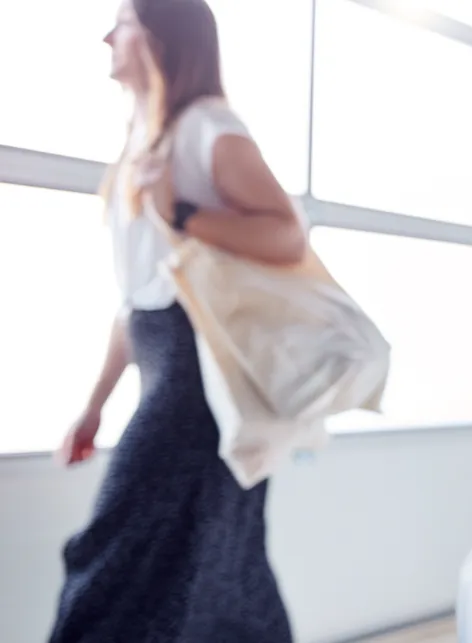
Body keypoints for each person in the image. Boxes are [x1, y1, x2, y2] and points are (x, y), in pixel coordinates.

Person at [49, 0, 305, 640]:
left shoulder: (208, 128)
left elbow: (286, 235)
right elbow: (139, 297)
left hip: (200, 378)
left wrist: (182, 212)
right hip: (165, 364)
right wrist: (95, 403)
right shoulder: (144, 141)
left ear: (161, 39)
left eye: (124, 22)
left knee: (120, 550)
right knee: (217, 560)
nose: (107, 35)